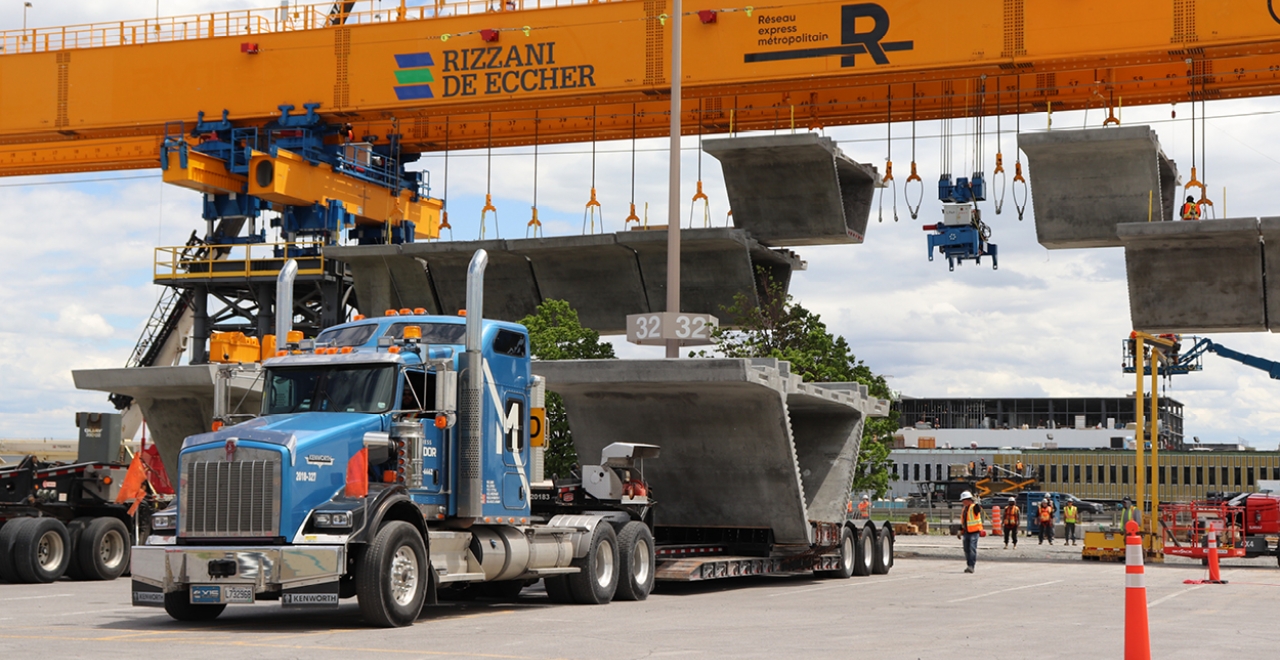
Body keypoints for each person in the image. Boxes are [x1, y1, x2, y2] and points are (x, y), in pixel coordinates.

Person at [959, 491, 985, 573]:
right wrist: (960, 531)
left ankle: (971, 566)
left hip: (974, 532)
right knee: (966, 549)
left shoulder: (974, 507)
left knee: (972, 548)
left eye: (964, 500)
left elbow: (978, 508)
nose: (963, 502)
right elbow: (964, 522)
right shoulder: (964, 509)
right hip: (966, 532)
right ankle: (969, 565)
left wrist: (977, 500)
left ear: (969, 500)